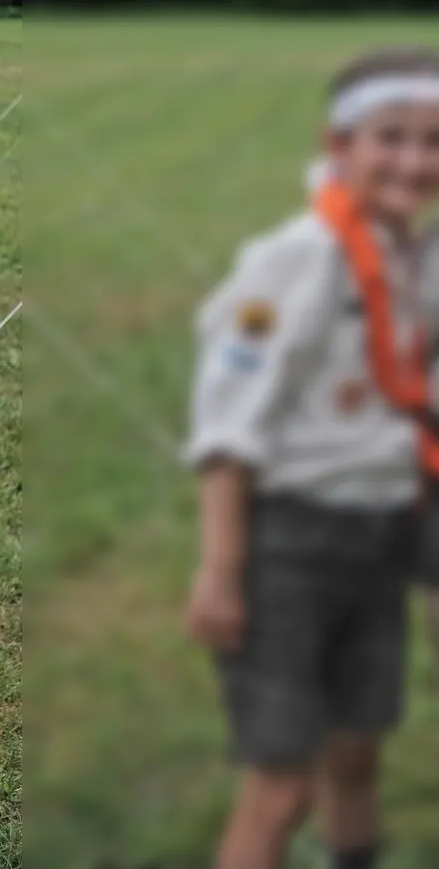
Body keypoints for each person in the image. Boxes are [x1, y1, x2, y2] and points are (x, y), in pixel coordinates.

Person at [182, 46, 439, 869]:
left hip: (384, 532)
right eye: (390, 138)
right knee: (281, 784)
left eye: (433, 142)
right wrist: (222, 572)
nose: (414, 161)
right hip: (287, 546)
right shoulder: (291, 261)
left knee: (357, 751)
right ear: (340, 147)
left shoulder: (420, 261)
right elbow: (229, 427)